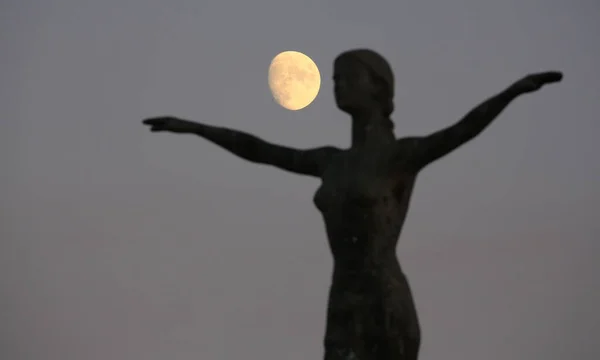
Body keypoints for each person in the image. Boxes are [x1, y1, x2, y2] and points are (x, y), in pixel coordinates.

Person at [142, 49, 563, 360]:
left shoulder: (403, 156)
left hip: (385, 299)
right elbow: (259, 149)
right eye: (333, 78)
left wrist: (511, 93)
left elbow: (464, 129)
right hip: (343, 299)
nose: (337, 85)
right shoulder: (329, 161)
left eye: (346, 77)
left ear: (377, 88)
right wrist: (195, 128)